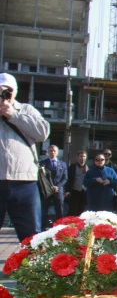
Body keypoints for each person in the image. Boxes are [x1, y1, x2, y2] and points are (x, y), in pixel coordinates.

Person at [0, 72, 51, 240]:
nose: (4, 94)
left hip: (25, 182)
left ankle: (29, 266)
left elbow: (42, 132)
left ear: (14, 91)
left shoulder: (26, 110)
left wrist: (13, 115)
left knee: (31, 236)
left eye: (7, 90)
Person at [40, 144, 67, 229]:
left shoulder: (62, 164)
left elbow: (65, 178)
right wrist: (50, 186)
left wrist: (57, 186)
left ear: (57, 152)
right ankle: (42, 227)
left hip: (58, 190)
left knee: (59, 209)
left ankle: (60, 227)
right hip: (46, 190)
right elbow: (42, 178)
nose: (52, 152)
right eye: (51, 151)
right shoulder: (43, 163)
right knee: (44, 209)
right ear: (48, 152)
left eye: (54, 151)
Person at [65, 150, 89, 217]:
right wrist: (67, 190)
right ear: (77, 157)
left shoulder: (88, 167)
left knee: (82, 210)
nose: (82, 158)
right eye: (81, 156)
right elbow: (68, 179)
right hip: (75, 191)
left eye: (84, 156)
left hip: (84, 192)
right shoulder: (72, 167)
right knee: (72, 210)